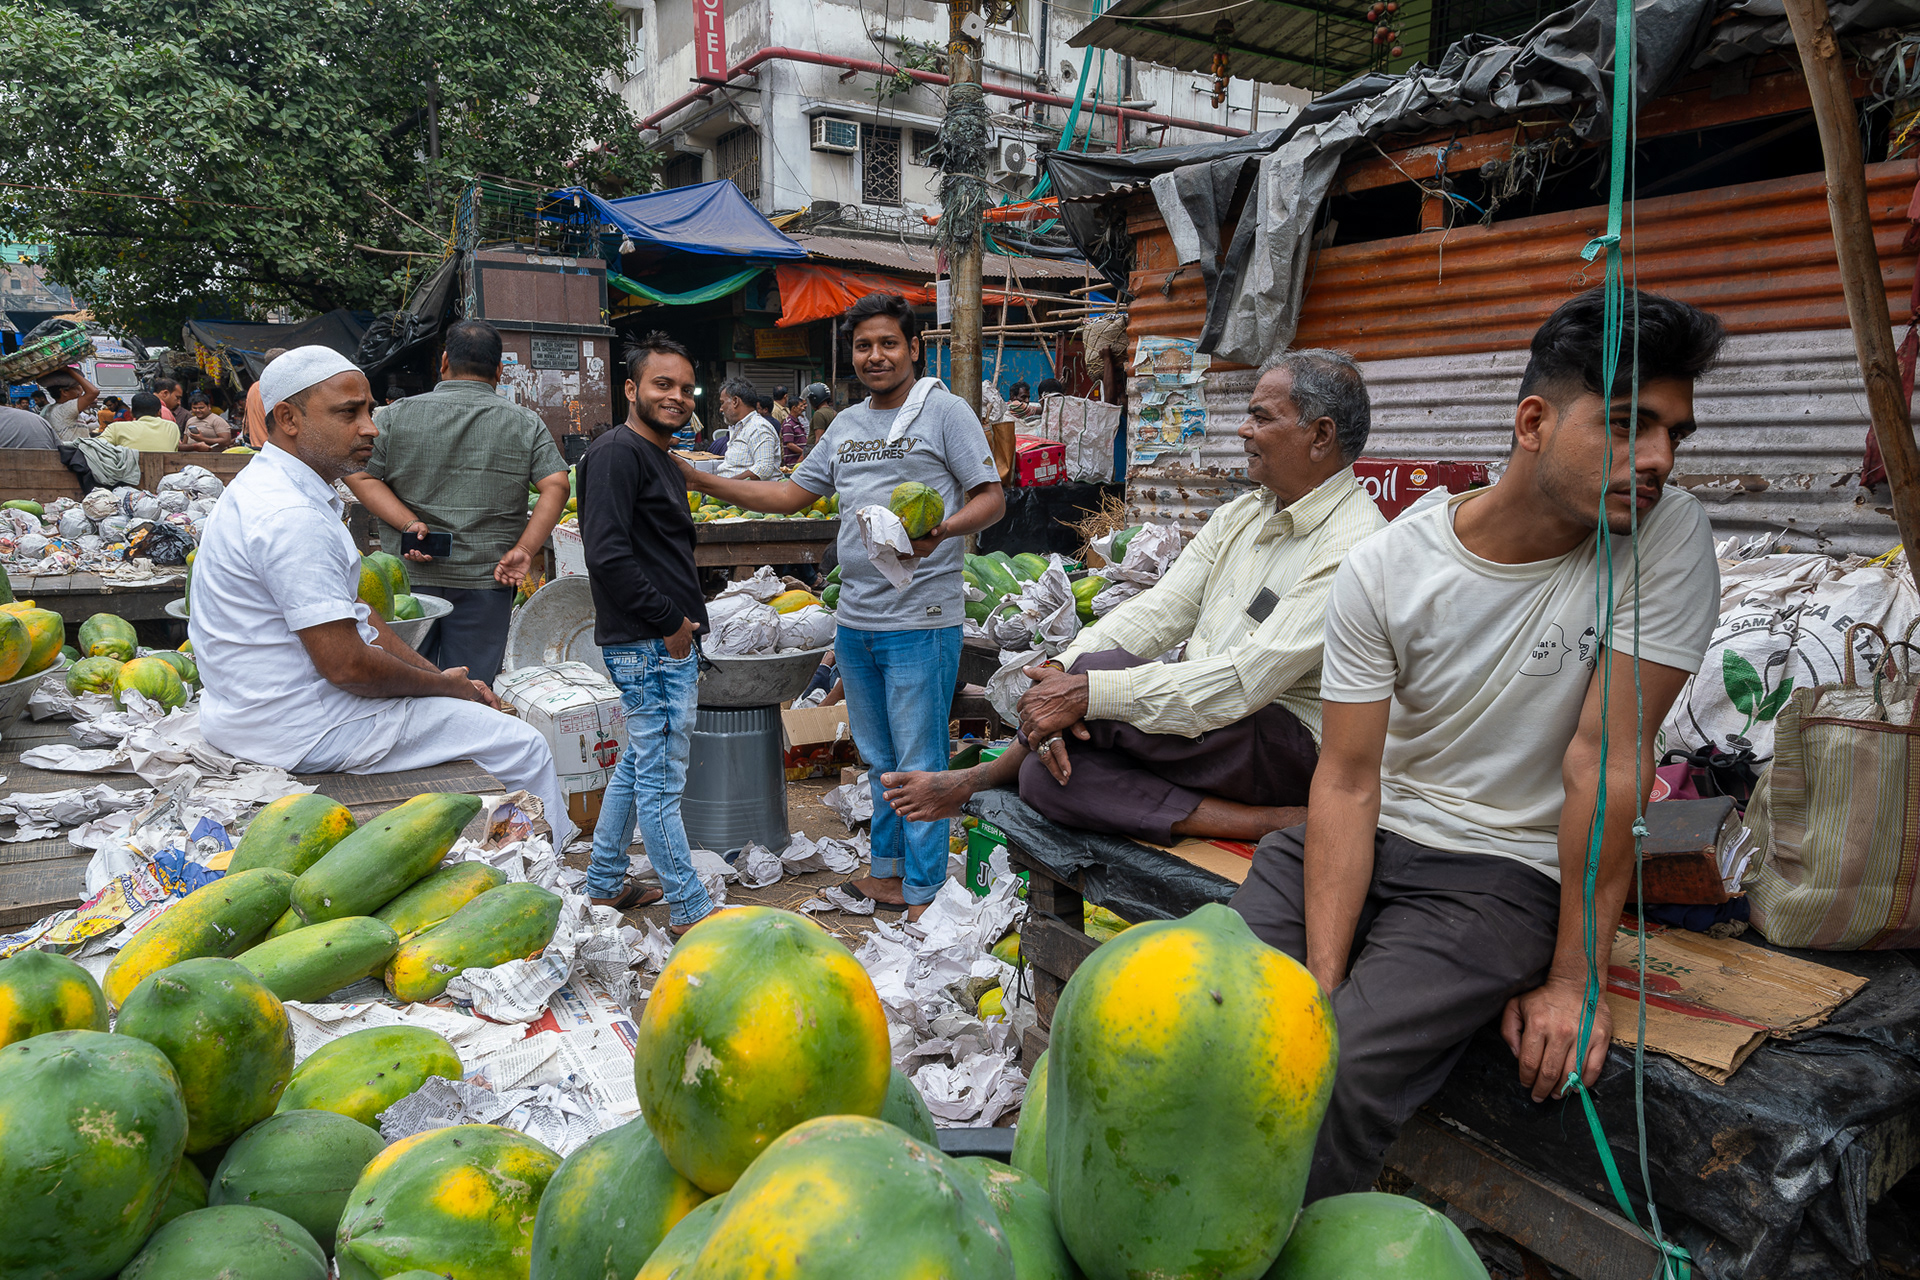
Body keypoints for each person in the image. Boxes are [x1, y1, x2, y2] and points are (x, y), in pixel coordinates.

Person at [1228, 289, 1726, 1202]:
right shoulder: (1388, 566)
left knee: (1335, 1078)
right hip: (1356, 838)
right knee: (1216, 1020)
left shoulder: (1666, 536)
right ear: (1533, 421)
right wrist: (1322, 983)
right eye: (1628, 426)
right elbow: (1343, 780)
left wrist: (1576, 980)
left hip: (1501, 875)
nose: (1657, 460)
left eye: (1674, 435)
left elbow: (1607, 762)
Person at [885, 350, 1386, 845]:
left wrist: (1086, 690)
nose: (1243, 430)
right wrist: (1061, 670)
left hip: (1284, 742)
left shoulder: (1353, 546)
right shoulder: (1243, 515)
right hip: (1213, 731)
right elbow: (1160, 610)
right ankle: (1263, 823)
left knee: (1098, 681)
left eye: (1261, 416)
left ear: (1320, 436)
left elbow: (1243, 682)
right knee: (1047, 777)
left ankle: (976, 778)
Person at [681, 293, 1006, 920]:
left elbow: (990, 496)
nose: (876, 356)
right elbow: (788, 495)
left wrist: (942, 531)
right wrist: (698, 479)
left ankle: (926, 890)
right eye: (864, 346)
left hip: (921, 618)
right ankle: (887, 875)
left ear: (913, 348)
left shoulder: (944, 411)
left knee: (920, 760)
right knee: (878, 758)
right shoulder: (847, 426)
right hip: (857, 620)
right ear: (851, 355)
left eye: (888, 343)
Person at [190, 345, 576, 846]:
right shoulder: (291, 516)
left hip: (254, 714)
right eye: (348, 413)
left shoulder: (277, 489)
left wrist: (439, 675)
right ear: (287, 418)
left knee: (473, 715)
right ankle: (557, 867)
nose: (370, 427)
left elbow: (360, 616)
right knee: (521, 744)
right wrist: (447, 688)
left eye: (368, 410)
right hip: (298, 728)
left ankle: (499, 846)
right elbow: (348, 666)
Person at [575, 332, 715, 926]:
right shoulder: (615, 453)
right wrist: (671, 623)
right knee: (661, 784)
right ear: (631, 389)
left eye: (686, 388)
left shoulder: (656, 455)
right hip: (650, 643)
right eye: (662, 384)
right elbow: (605, 555)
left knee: (640, 765)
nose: (677, 397)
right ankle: (691, 909)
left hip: (657, 640)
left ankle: (605, 879)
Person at [344, 320, 570, 686]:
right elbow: (557, 485)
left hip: (408, 581)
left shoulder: (395, 415)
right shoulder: (525, 422)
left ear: (444, 361)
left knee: (403, 684)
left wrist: (408, 523)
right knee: (471, 689)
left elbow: (358, 473)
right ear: (499, 370)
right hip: (487, 578)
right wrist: (526, 550)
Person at [714, 378, 781, 479]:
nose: (721, 409)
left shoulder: (758, 427)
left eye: (722, 402)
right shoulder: (739, 427)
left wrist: (725, 485)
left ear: (735, 401)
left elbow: (764, 468)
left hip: (742, 492)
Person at [100, 392, 182, 451]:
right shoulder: (172, 427)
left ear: (131, 413)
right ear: (159, 412)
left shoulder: (116, 428)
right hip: (166, 474)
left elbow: (96, 447)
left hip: (129, 473)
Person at [38, 367, 98, 442]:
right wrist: (68, 370)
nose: (80, 392)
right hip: (74, 451)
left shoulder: (50, 408)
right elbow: (94, 392)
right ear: (64, 392)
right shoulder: (65, 408)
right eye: (76, 388)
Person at [244, 348, 289, 447]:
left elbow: (246, 424)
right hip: (278, 449)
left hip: (257, 447)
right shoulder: (280, 387)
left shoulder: (254, 387)